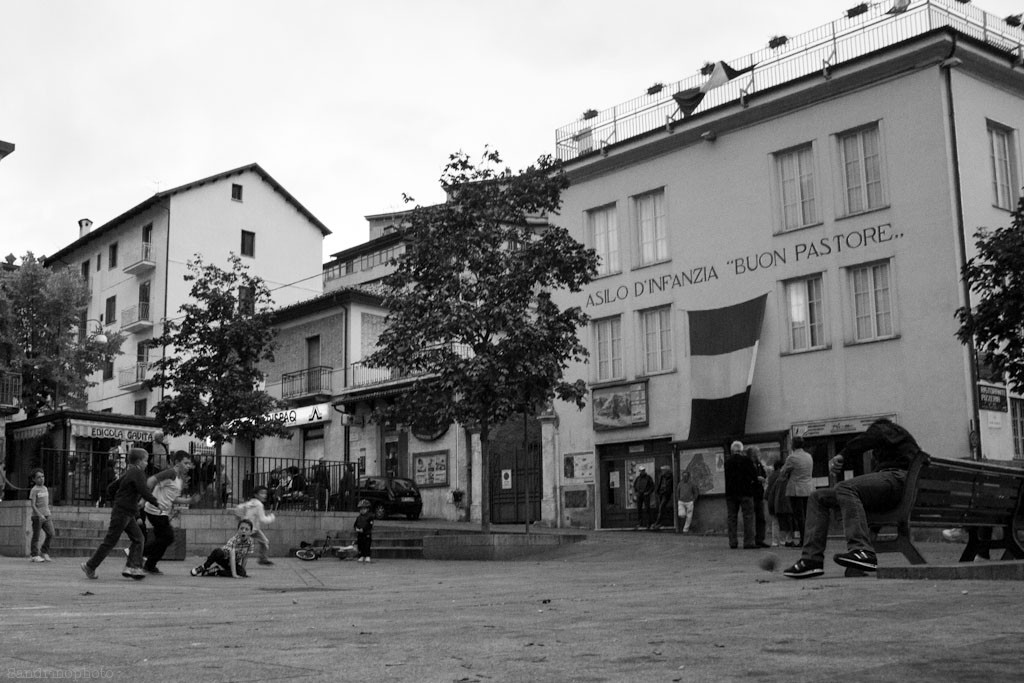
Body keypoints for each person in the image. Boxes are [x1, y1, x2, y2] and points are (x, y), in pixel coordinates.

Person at [783, 418, 926, 579]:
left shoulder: (887, 429)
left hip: (899, 481)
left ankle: (861, 550)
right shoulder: (900, 444)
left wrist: (843, 454)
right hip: (901, 490)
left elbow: (871, 437)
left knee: (846, 487)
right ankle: (811, 559)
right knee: (818, 497)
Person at [81, 448, 161, 580]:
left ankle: (132, 567)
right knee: (112, 541)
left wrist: (119, 499)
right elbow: (144, 490)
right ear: (140, 461)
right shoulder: (138, 472)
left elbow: (111, 488)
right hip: (124, 512)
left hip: (125, 511)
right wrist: (157, 503)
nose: (147, 463)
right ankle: (91, 565)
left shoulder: (129, 472)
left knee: (138, 538)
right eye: (146, 461)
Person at [142, 451, 200, 575]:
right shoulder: (171, 473)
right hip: (155, 511)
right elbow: (151, 480)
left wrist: (189, 500)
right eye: (185, 463)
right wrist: (144, 498)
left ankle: (149, 565)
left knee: (162, 540)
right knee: (168, 537)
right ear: (177, 463)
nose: (188, 466)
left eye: (189, 464)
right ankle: (138, 552)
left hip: (163, 512)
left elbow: (172, 499)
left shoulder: (179, 479)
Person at [779, 436, 813, 546]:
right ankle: (809, 538)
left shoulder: (792, 458)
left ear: (793, 445)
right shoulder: (809, 456)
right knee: (807, 515)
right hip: (808, 488)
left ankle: (803, 540)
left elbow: (783, 471)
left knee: (799, 516)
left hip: (796, 489)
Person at [724, 441, 759, 549]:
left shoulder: (727, 462)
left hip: (731, 493)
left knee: (732, 517)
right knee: (748, 517)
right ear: (741, 450)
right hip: (745, 492)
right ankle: (748, 542)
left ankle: (733, 542)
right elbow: (754, 475)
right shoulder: (746, 460)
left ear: (732, 451)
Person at [235, 486, 277, 565]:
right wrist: (272, 517)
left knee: (241, 544)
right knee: (263, 542)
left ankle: (262, 558)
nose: (264, 495)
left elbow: (238, 508)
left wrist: (241, 520)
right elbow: (263, 519)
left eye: (265, 493)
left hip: (246, 528)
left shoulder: (250, 502)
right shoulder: (259, 505)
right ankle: (262, 559)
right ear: (256, 495)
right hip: (253, 529)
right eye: (262, 493)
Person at [765, 461, 795, 547]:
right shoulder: (782, 476)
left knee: (775, 522)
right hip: (780, 501)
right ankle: (784, 540)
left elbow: (768, 491)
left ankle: (775, 541)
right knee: (784, 521)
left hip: (773, 501)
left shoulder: (772, 476)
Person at [29, 469, 54, 563]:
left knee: (51, 533)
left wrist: (48, 512)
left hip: (47, 515)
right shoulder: (34, 490)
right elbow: (33, 504)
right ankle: (34, 555)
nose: (41, 479)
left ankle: (44, 551)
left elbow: (46, 503)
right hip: (37, 517)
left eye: (42, 476)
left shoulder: (45, 488)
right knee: (36, 536)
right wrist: (39, 515)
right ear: (34, 479)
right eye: (38, 477)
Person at [746, 446, 770, 548]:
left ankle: (760, 538)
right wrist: (756, 479)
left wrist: (763, 477)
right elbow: (746, 477)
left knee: (761, 517)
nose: (758, 455)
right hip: (751, 493)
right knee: (751, 518)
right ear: (752, 454)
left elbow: (764, 474)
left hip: (759, 493)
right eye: (757, 453)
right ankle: (751, 540)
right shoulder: (746, 463)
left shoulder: (759, 464)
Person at [632, 466, 655, 530]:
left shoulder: (648, 478)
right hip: (639, 495)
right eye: (641, 471)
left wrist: (648, 492)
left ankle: (648, 523)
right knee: (639, 509)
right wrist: (636, 492)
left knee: (647, 509)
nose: (642, 472)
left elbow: (652, 486)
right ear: (639, 471)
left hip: (646, 495)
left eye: (643, 470)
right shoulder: (638, 478)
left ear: (645, 471)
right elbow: (634, 486)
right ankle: (640, 523)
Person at [652, 465, 674, 530]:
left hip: (666, 494)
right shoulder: (662, 476)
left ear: (666, 471)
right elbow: (660, 484)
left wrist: (665, 491)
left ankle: (658, 522)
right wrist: (658, 491)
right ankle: (660, 522)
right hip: (661, 494)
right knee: (661, 508)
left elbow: (669, 487)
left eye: (663, 470)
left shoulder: (670, 477)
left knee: (661, 508)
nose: (662, 471)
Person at [354, 498, 374, 563]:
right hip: (360, 534)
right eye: (361, 509)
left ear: (367, 509)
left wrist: (364, 529)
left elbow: (369, 525)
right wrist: (356, 529)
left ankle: (367, 556)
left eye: (364, 509)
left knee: (367, 545)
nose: (362, 510)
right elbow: (355, 524)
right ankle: (361, 555)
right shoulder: (358, 517)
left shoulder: (370, 517)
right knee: (360, 545)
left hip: (366, 534)